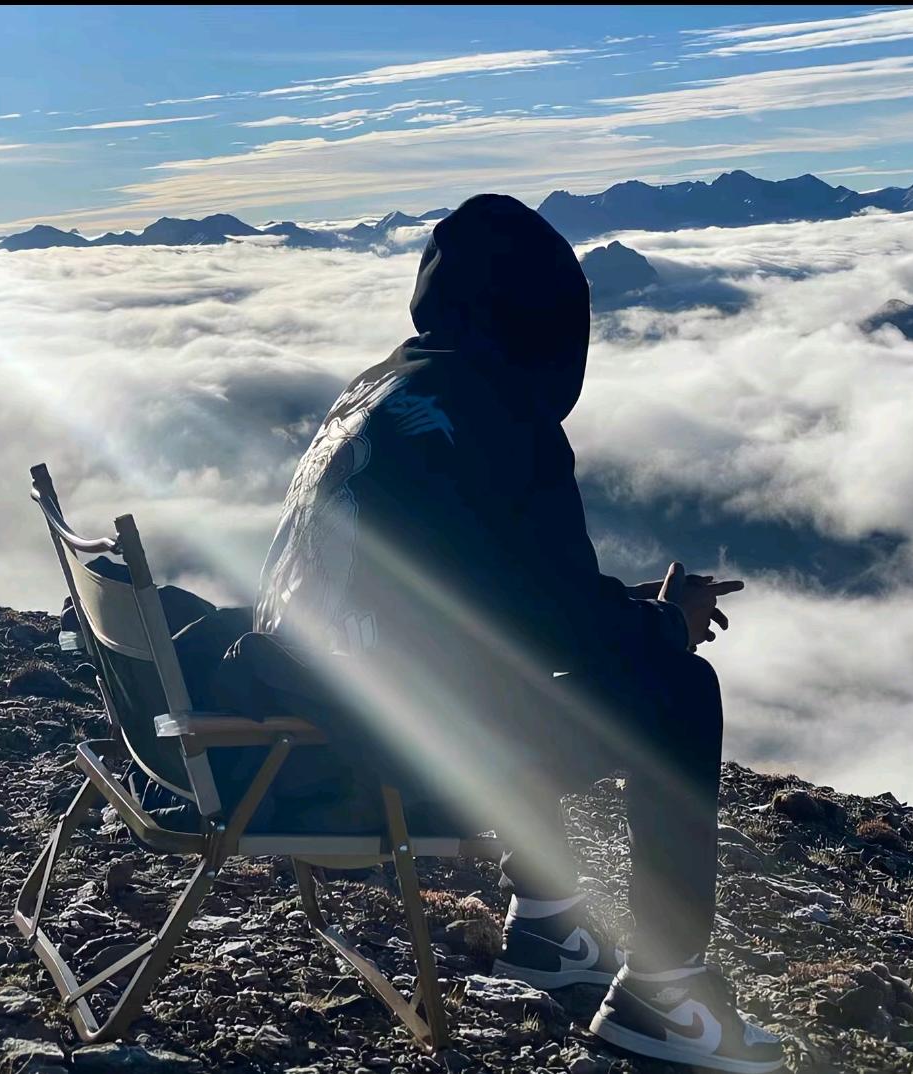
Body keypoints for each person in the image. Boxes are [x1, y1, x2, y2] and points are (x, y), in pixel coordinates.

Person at [254, 194, 784, 1072]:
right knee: (679, 689)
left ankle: (548, 924)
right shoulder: (502, 413)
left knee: (500, 675)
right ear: (543, 321)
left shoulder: (382, 385)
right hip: (390, 759)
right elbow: (559, 633)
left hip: (307, 717)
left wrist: (635, 610)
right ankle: (666, 998)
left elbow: (509, 598)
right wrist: (667, 626)